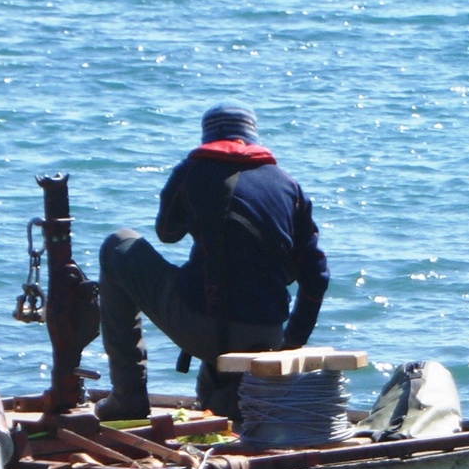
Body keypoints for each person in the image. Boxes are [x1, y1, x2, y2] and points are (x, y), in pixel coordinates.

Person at [98, 103, 328, 421]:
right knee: (238, 274)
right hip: (267, 335)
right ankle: (230, 396)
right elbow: (317, 275)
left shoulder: (193, 169)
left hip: (204, 331)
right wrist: (292, 342)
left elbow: (167, 232)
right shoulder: (289, 187)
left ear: (208, 138)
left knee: (117, 245)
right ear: (252, 137)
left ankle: (128, 397)